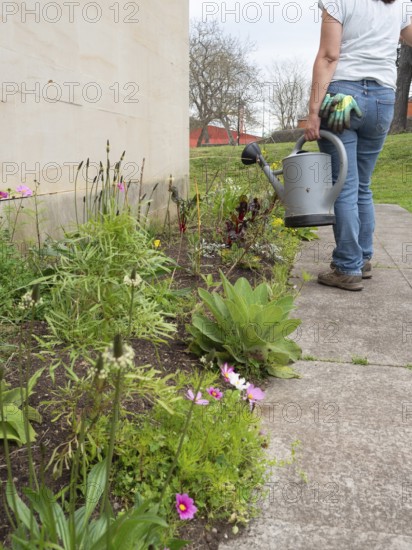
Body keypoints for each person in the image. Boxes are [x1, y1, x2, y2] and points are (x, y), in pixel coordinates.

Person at [305, 0, 412, 290]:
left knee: (343, 186)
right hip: (382, 100)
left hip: (342, 98)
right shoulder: (399, 4)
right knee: (362, 185)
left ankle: (346, 267)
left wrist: (313, 111)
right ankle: (362, 259)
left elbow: (328, 56)